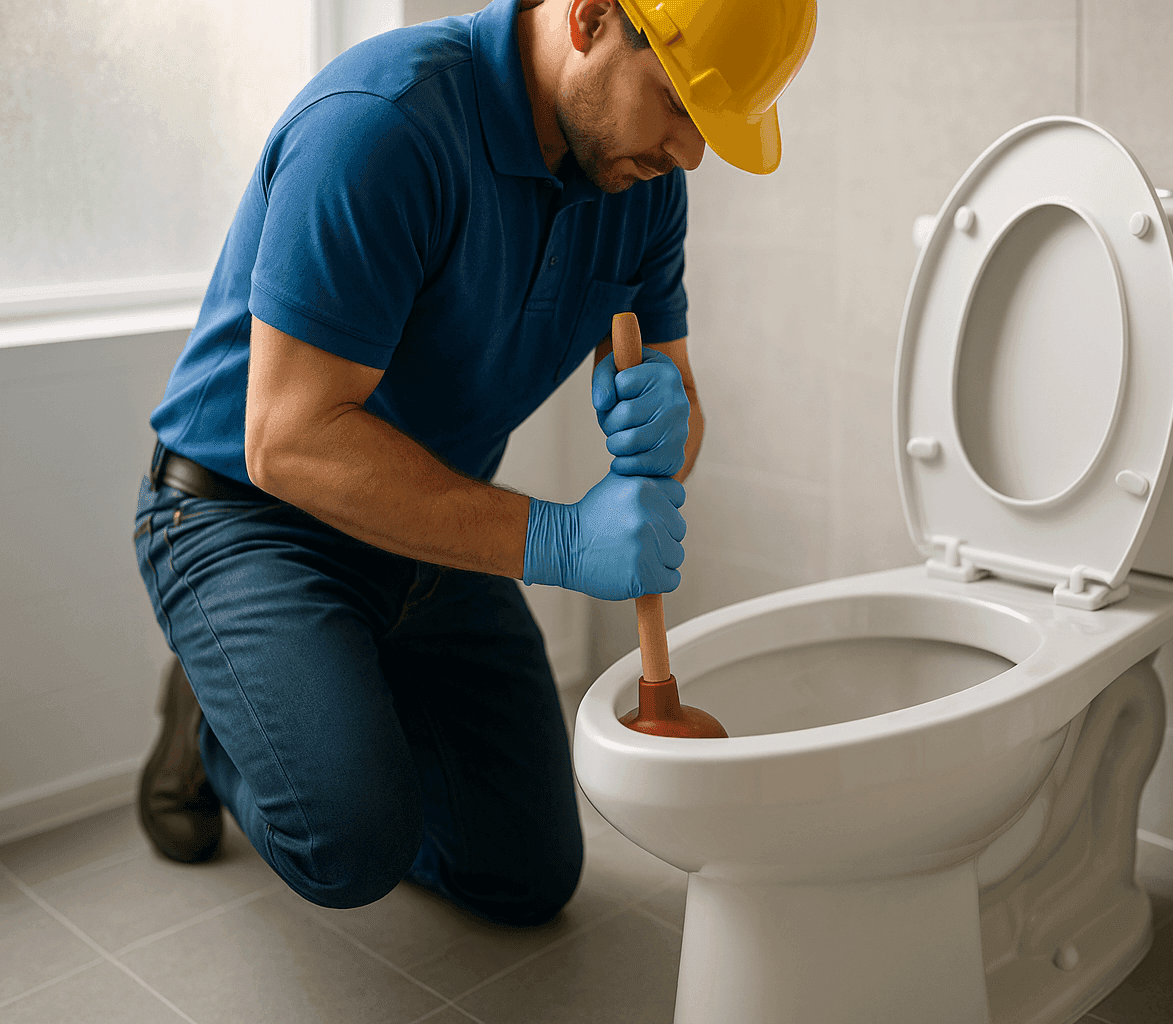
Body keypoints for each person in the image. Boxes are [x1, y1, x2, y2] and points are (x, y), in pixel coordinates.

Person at [132, 0, 816, 925]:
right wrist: (560, 542)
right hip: (248, 515)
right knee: (350, 839)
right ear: (591, 18)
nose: (690, 153)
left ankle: (334, 691)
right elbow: (288, 440)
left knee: (526, 874)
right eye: (678, 104)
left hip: (423, 519)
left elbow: (680, 401)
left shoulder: (640, 181)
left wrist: (672, 424)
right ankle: (219, 722)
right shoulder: (381, 126)